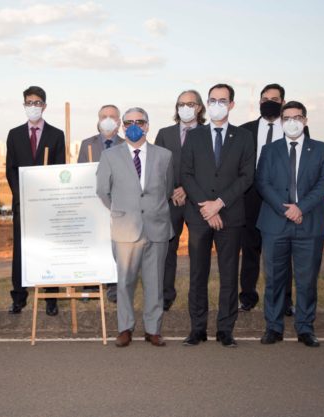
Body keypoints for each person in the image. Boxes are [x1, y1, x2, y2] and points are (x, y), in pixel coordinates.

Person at [181, 84, 254, 348]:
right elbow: (186, 174)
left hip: (230, 215)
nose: (217, 104)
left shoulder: (244, 137)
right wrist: (206, 205)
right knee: (197, 274)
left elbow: (247, 176)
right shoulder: (195, 135)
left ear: (232, 104)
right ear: (207, 104)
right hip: (200, 215)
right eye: (212, 100)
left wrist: (219, 204)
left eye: (222, 100)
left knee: (228, 274)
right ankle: (197, 329)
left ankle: (225, 329)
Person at [257, 101, 324, 348]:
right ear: (281, 121)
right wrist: (287, 210)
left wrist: (301, 208)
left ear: (305, 121)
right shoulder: (270, 150)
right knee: (275, 279)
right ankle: (274, 327)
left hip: (310, 223)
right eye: (287, 117)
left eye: (297, 117)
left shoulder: (322, 149)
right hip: (275, 224)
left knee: (307, 279)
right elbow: (263, 182)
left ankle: (305, 327)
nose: (292, 121)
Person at [96, 107, 174, 347]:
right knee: (125, 282)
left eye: (139, 122)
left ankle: (153, 329)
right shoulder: (110, 155)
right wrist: (121, 210)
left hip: (156, 227)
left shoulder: (164, 155)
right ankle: (125, 328)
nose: (134, 126)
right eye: (128, 122)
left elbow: (167, 188)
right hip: (125, 228)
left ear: (147, 126)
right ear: (122, 126)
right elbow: (102, 190)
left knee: (155, 283)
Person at [5, 86, 65, 316]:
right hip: (23, 204)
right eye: (29, 102)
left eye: (37, 102)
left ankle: (51, 298)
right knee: (21, 251)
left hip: (48, 205)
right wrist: (22, 195)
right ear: (24, 105)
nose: (33, 106)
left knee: (49, 249)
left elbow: (59, 169)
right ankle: (19, 297)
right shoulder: (14, 134)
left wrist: (46, 196)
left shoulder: (56, 135)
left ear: (45, 106)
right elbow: (11, 168)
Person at [239, 84, 294, 315]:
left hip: (281, 198)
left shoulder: (293, 128)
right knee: (250, 248)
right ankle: (248, 297)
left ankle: (285, 301)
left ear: (282, 102)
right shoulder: (245, 130)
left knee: (282, 250)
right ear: (259, 102)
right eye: (264, 98)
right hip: (250, 196)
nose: (269, 101)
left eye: (274, 98)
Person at [154, 89, 205, 311]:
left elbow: (210, 168)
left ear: (200, 107)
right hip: (170, 200)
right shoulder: (165, 134)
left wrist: (186, 188)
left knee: (198, 251)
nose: (185, 108)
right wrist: (173, 190)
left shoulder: (208, 133)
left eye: (190, 104)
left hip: (197, 202)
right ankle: (166, 295)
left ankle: (197, 296)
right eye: (181, 104)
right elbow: (156, 167)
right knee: (167, 249)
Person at [77, 104, 124, 303]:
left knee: (116, 247)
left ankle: (114, 287)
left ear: (119, 121)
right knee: (93, 244)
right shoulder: (87, 143)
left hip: (118, 205)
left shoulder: (126, 144)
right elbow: (80, 174)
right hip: (93, 204)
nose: (107, 119)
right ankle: (90, 285)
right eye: (104, 116)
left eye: (112, 116)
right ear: (98, 119)